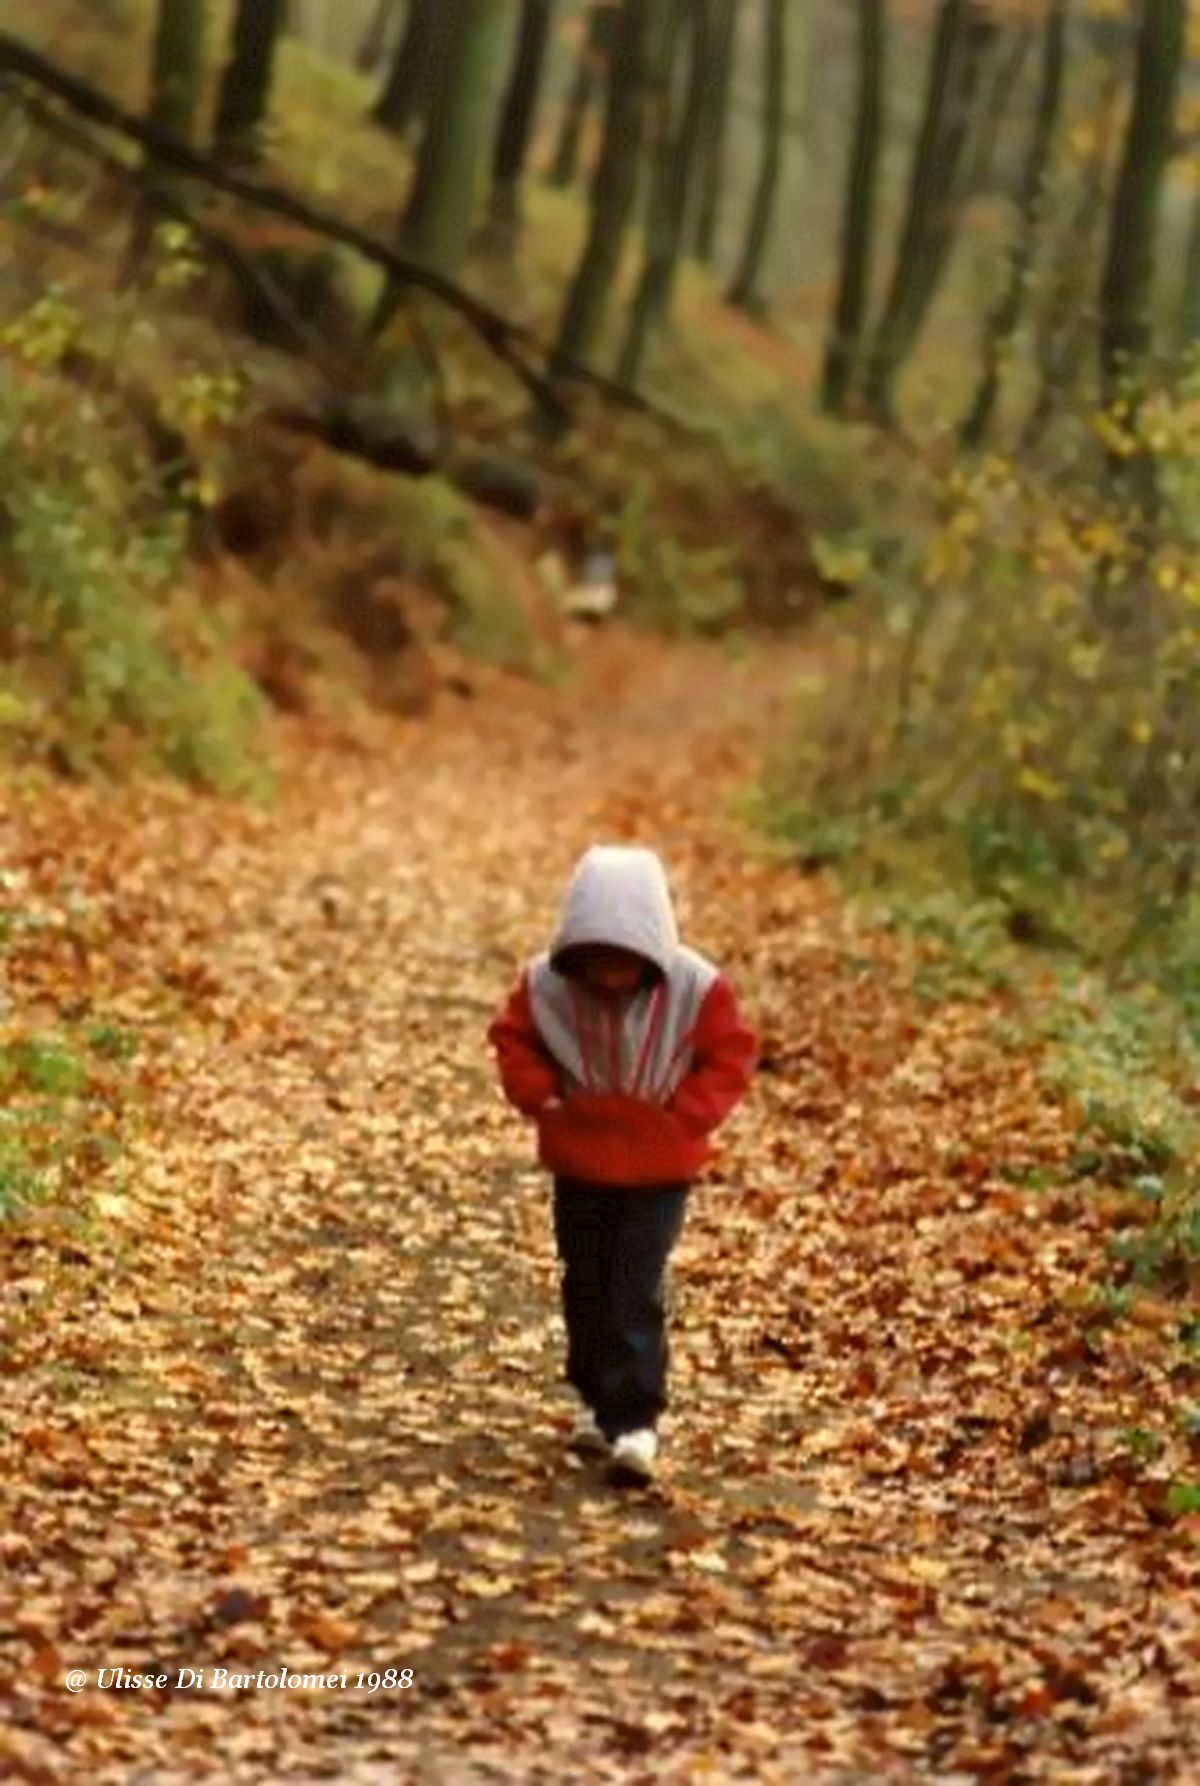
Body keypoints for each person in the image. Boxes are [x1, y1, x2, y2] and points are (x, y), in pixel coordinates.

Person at [487, 844, 756, 1484]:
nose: (611, 979)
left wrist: (685, 1116)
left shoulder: (697, 988)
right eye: (598, 963)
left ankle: (635, 1419)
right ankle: (591, 1400)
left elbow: (730, 1056)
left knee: (634, 1285)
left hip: (660, 1168)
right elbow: (513, 1042)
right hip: (579, 1158)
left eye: (625, 964)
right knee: (585, 1277)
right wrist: (546, 1102)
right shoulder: (544, 986)